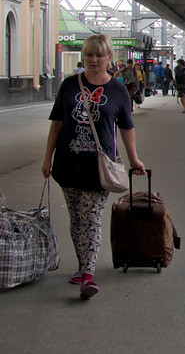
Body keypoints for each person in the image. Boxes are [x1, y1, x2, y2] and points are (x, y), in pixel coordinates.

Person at [42, 33, 145, 299]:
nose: (94, 59)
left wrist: (134, 159)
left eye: (99, 55)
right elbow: (57, 123)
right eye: (89, 54)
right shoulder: (69, 85)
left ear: (110, 57)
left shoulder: (118, 90)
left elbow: (126, 127)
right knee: (76, 220)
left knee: (91, 219)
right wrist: (47, 158)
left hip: (99, 168)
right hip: (68, 164)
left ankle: (88, 273)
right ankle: (81, 266)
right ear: (83, 57)